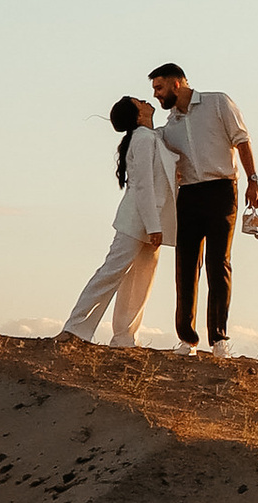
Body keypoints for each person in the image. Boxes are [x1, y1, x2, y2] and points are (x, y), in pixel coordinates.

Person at [150, 60, 258, 353]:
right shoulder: (167, 127)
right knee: (186, 266)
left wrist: (253, 180)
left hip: (222, 189)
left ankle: (219, 338)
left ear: (177, 83)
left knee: (218, 263)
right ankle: (187, 338)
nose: (156, 95)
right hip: (187, 195)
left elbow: (242, 140)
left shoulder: (218, 103)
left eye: (159, 88)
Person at [58, 95, 176, 345]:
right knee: (112, 272)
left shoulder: (151, 137)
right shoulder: (143, 139)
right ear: (137, 115)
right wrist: (154, 226)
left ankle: (125, 336)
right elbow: (143, 185)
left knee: (141, 278)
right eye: (139, 102)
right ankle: (75, 328)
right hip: (137, 220)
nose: (145, 101)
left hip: (151, 219)